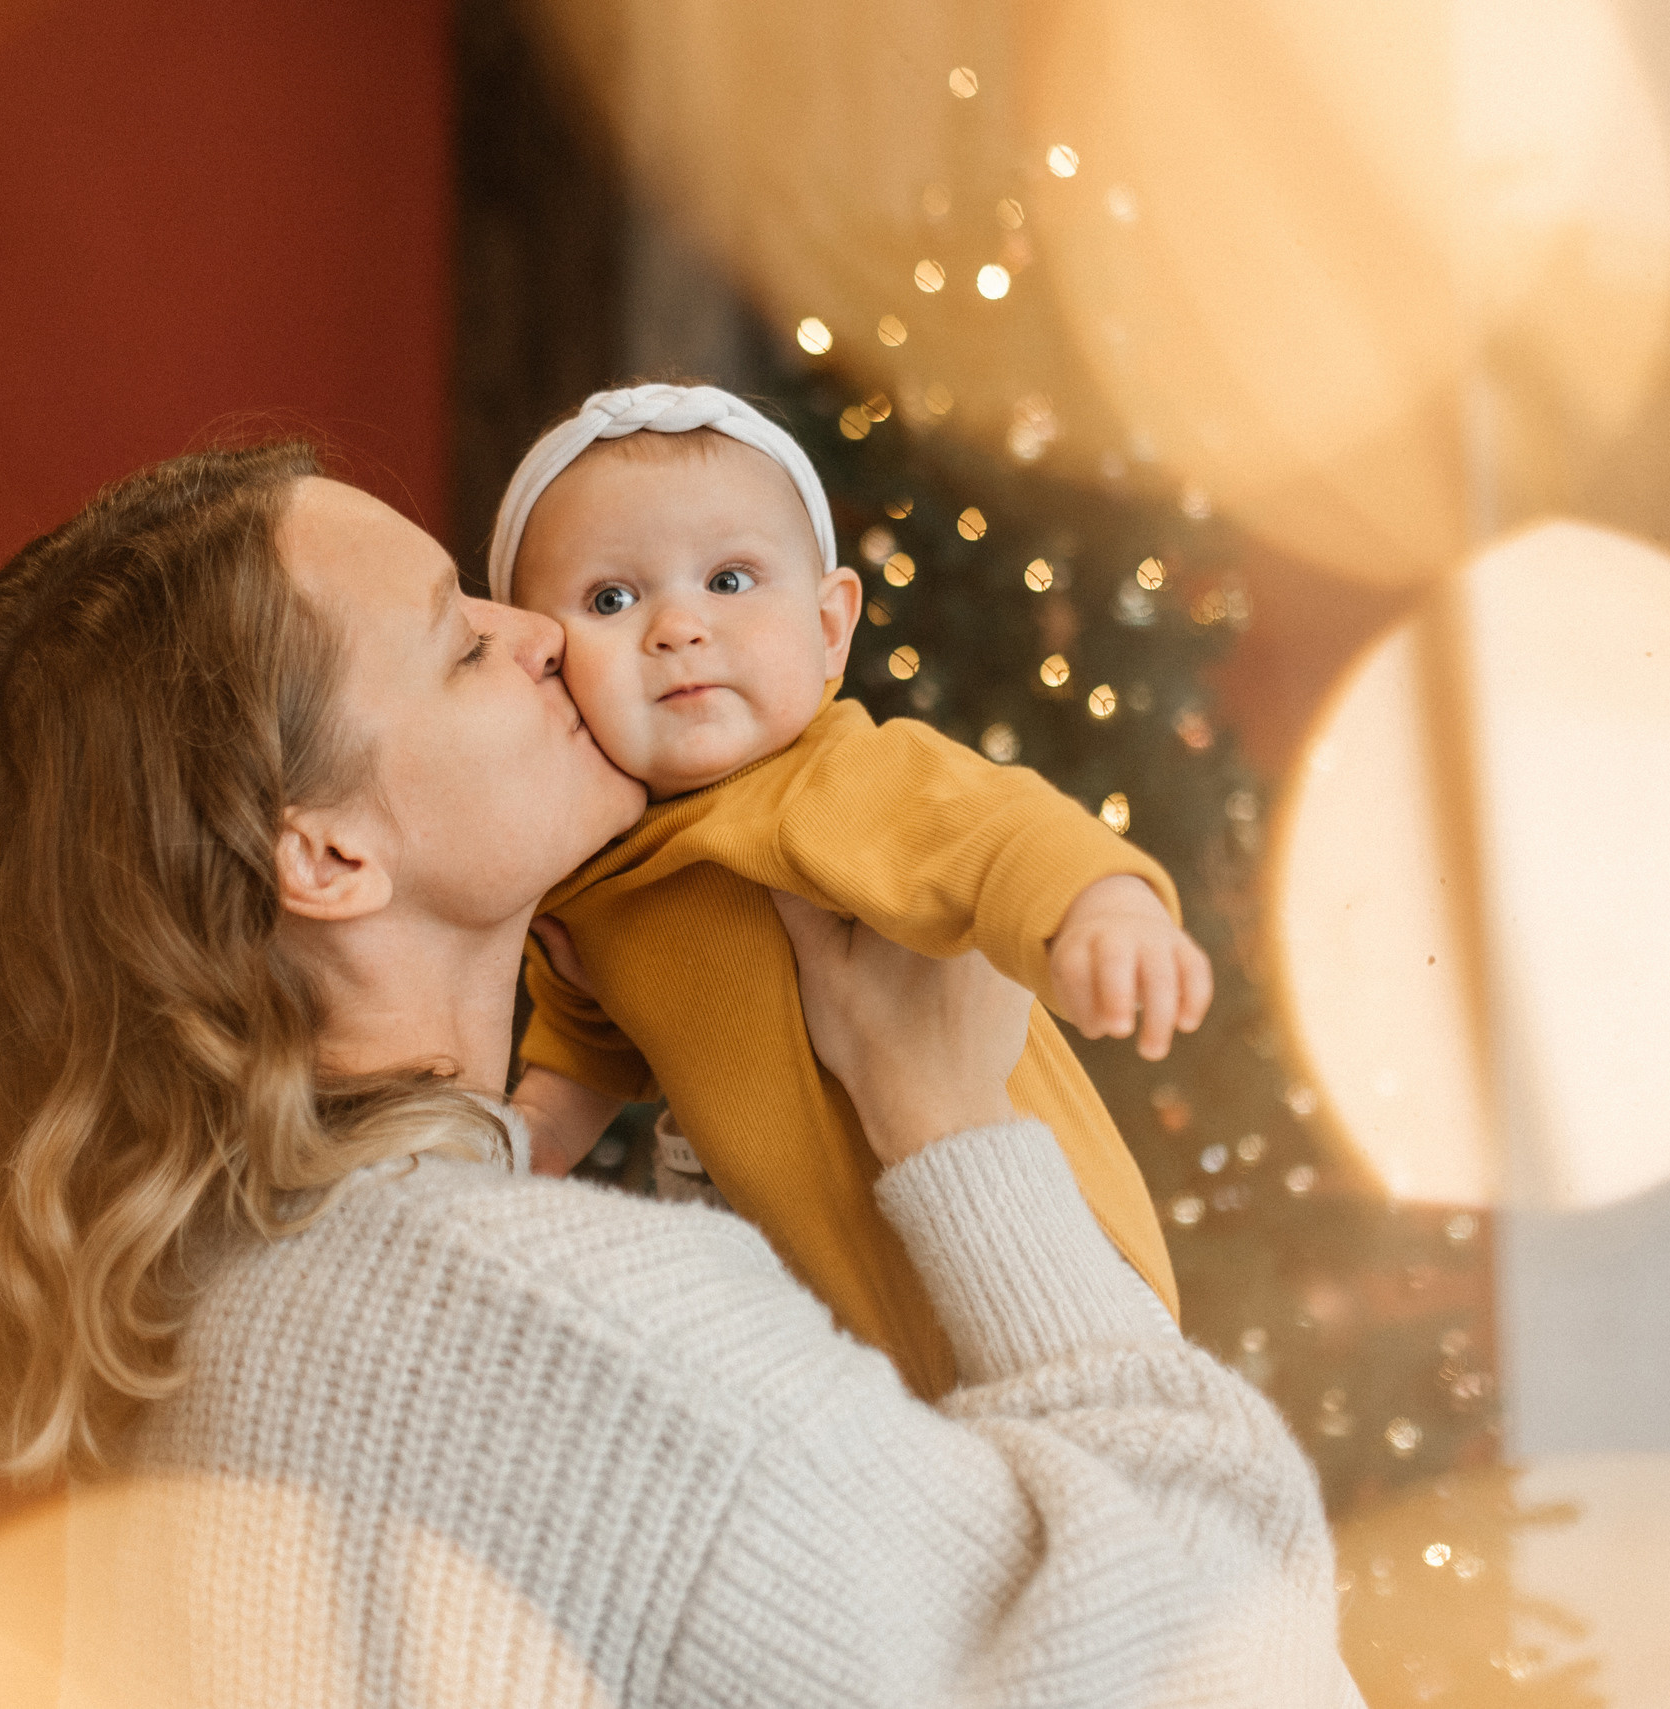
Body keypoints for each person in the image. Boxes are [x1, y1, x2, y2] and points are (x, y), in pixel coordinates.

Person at [0, 442, 1358, 1704]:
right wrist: (954, 1131)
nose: (535, 633)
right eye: (459, 641)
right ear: (323, 852)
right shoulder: (554, 1330)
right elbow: (1232, 1667)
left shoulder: (203, 1325)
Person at [494, 383, 1206, 1398]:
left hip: (1033, 1259)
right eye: (612, 598)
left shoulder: (843, 778)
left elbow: (999, 829)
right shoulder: (592, 874)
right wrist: (532, 1139)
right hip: (837, 1331)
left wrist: (1104, 908)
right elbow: (585, 1037)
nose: (678, 627)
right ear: (544, 665)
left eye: (731, 578)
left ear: (830, 628)